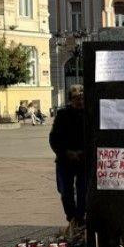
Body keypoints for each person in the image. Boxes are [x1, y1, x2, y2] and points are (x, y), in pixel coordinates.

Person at [50, 85, 87, 233]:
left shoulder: (89, 114)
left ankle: (80, 218)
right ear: (71, 100)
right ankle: (71, 218)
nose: (80, 101)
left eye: (83, 98)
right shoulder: (62, 115)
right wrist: (66, 152)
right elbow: (54, 138)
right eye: (77, 98)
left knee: (84, 190)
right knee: (65, 191)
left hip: (84, 159)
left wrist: (85, 152)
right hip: (65, 159)